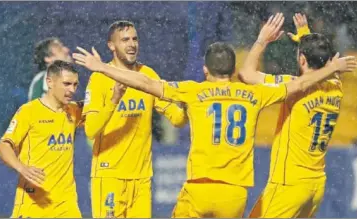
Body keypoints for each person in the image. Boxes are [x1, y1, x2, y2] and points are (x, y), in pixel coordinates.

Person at [73, 13, 357, 218]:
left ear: (206, 71)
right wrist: (314, 46)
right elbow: (304, 78)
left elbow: (146, 84)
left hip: (208, 189)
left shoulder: (195, 92)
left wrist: (100, 67)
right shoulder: (332, 85)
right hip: (265, 191)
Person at [238, 14, 354, 218]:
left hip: (288, 184)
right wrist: (305, 35)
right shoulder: (336, 86)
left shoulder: (292, 87)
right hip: (315, 186)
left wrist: (261, 40)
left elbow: (246, 74)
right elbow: (320, 67)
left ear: (301, 59)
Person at [82, 20, 188, 218]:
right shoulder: (99, 78)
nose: (132, 44)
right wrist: (114, 100)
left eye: (134, 39)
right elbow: (90, 129)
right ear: (111, 46)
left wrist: (190, 105)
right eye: (124, 40)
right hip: (110, 176)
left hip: (142, 178)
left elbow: (176, 119)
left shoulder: (147, 75)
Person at [0, 61, 83, 218]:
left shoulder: (73, 111)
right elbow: (2, 147)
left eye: (75, 85)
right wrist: (21, 167)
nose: (72, 90)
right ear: (50, 82)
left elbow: (100, 105)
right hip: (33, 202)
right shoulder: (28, 112)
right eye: (67, 84)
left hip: (66, 204)